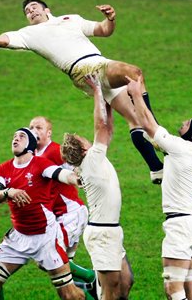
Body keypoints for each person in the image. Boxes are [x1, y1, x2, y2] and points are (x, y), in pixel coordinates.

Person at [0, 0, 163, 183]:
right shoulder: (28, 34)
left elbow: (104, 30)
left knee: (134, 119)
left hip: (99, 64)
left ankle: (156, 169)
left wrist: (111, 18)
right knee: (134, 73)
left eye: (34, 7)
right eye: (27, 11)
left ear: (47, 9)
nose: (31, 11)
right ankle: (156, 131)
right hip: (84, 69)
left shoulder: (70, 19)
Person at [126, 75, 192, 300]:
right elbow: (149, 129)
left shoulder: (181, 148)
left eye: (187, 123)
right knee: (190, 286)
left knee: (173, 290)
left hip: (181, 226)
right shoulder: (189, 149)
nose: (183, 122)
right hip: (191, 224)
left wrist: (136, 94)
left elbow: (148, 124)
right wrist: (142, 96)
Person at [0, 127, 85, 300]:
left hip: (46, 239)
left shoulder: (40, 164)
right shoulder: (3, 170)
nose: (15, 139)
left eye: (21, 136)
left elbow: (61, 174)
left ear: (30, 143)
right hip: (18, 237)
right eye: (14, 136)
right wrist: (8, 192)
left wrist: (76, 178)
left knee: (70, 296)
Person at [61, 74, 134, 300]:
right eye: (85, 140)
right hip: (102, 234)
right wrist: (97, 91)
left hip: (111, 231)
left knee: (125, 282)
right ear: (83, 149)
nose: (89, 140)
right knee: (111, 291)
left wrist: (109, 97)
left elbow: (108, 128)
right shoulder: (91, 159)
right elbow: (101, 125)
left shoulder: (93, 159)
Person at [29, 115, 98, 297]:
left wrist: (78, 171)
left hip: (70, 214)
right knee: (63, 274)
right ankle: (92, 290)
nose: (34, 130)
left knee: (49, 260)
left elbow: (74, 167)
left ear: (49, 133)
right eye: (31, 127)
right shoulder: (33, 157)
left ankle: (91, 276)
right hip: (59, 216)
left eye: (39, 127)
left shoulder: (54, 151)